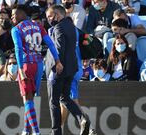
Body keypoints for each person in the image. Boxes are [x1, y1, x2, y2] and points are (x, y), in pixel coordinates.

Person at [10, 4, 62, 135]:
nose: (12, 17)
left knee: (27, 99)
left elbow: (18, 48)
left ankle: (36, 132)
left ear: (22, 14)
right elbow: (50, 43)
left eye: (14, 14)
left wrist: (21, 69)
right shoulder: (38, 26)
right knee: (30, 99)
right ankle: (26, 130)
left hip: (27, 64)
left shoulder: (16, 29)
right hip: (39, 65)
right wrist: (57, 60)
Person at [45, 5, 95, 135]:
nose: (48, 19)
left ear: (58, 15)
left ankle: (56, 132)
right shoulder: (72, 27)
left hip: (59, 69)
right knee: (65, 98)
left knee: (53, 102)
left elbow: (59, 48)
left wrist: (56, 64)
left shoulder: (58, 27)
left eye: (50, 16)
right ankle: (82, 118)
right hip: (71, 68)